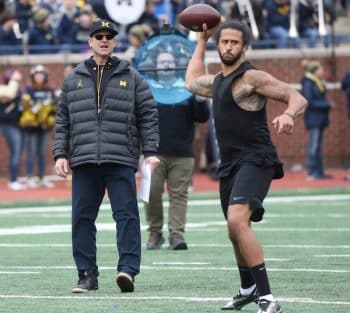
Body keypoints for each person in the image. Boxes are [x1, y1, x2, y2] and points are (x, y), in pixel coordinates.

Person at [185, 21, 307, 313]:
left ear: (244, 47)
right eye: (224, 42)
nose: (228, 47)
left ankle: (267, 298)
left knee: (237, 220)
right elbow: (190, 81)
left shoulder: (252, 78)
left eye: (234, 43)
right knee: (234, 229)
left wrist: (289, 115)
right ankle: (247, 288)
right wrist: (201, 41)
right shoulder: (217, 83)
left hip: (256, 159)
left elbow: (297, 97)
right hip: (229, 166)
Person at [53, 19, 159, 294]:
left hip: (120, 157)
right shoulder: (73, 78)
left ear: (114, 42)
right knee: (81, 219)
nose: (103, 40)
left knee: (126, 215)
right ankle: (87, 275)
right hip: (84, 159)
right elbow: (63, 120)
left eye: (108, 36)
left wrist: (150, 152)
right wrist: (60, 154)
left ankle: (127, 270)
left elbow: (147, 115)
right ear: (89, 41)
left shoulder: (132, 76)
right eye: (98, 36)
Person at [144, 50, 210, 250]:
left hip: (182, 152)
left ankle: (177, 236)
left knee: (179, 195)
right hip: (152, 152)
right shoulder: (148, 89)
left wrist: (200, 98)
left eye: (169, 61)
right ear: (156, 65)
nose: (166, 65)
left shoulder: (187, 88)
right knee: (152, 194)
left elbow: (202, 117)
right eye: (162, 61)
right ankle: (155, 234)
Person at [21, 64, 56, 188]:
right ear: (33, 76)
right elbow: (23, 107)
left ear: (45, 76)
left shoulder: (49, 91)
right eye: (37, 74)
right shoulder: (28, 90)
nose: (39, 77)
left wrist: (50, 117)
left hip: (44, 127)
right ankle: (29, 177)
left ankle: (41, 177)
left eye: (41, 74)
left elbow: (54, 108)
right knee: (31, 152)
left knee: (41, 152)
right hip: (31, 128)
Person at [301, 60, 332, 180]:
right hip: (314, 119)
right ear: (314, 71)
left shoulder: (317, 82)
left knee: (318, 147)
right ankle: (311, 171)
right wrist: (327, 104)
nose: (322, 71)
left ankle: (319, 172)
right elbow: (309, 101)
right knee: (313, 147)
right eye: (320, 69)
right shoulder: (308, 83)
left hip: (320, 119)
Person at [0, 69, 26, 190]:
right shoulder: (4, 89)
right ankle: (13, 180)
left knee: (17, 152)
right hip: (7, 125)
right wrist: (14, 79)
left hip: (17, 125)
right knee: (15, 152)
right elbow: (9, 94)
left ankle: (14, 179)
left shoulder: (19, 90)